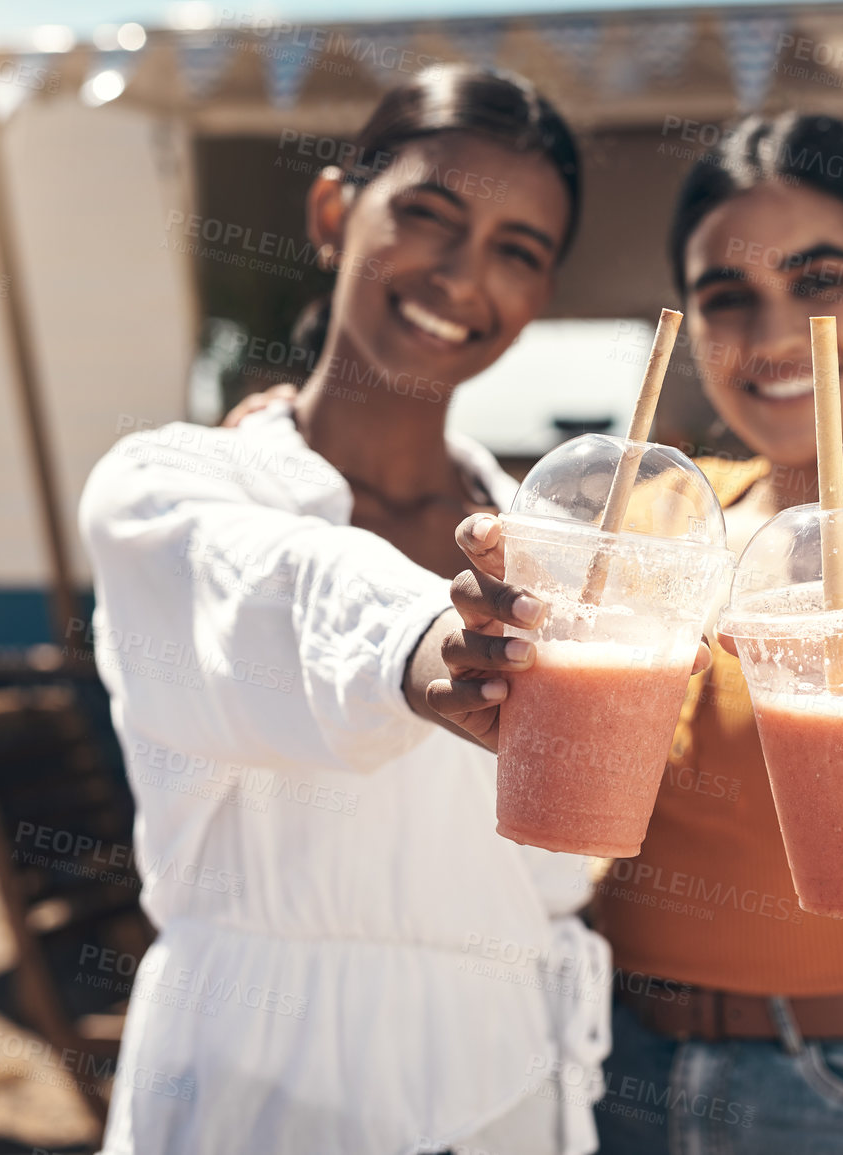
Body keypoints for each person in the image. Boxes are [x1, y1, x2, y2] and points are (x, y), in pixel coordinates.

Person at [438, 113, 843, 1153]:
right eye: (727, 296)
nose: (774, 328)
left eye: (821, 281)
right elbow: (509, 588)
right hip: (621, 1068)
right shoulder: (664, 521)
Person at [79, 65, 628, 1155]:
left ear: (540, 297)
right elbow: (269, 592)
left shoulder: (555, 557)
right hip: (264, 1083)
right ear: (333, 212)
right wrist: (423, 646)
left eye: (518, 251)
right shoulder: (171, 489)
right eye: (428, 216)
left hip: (510, 1080)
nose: (462, 276)